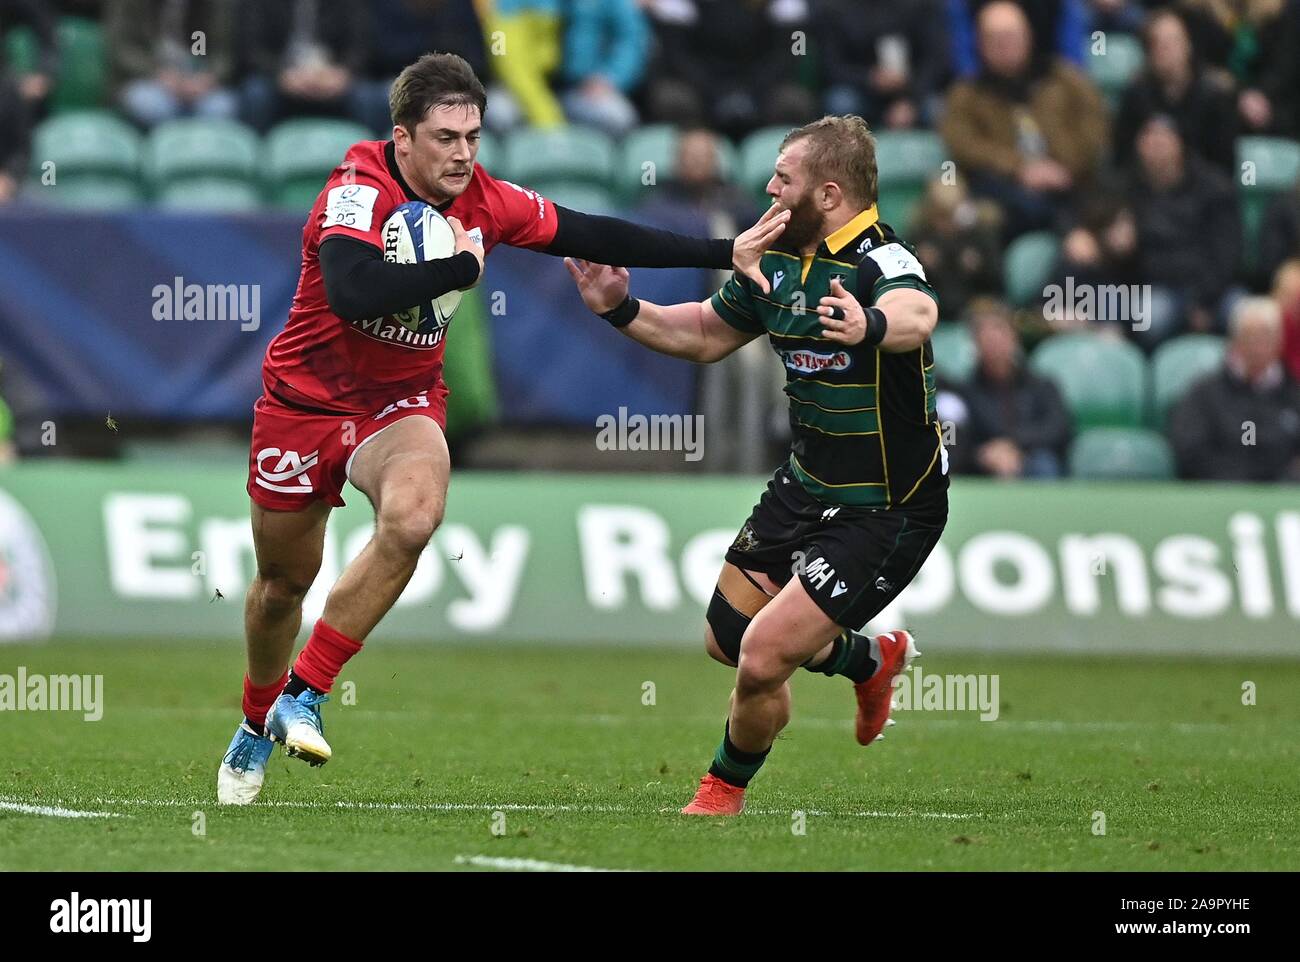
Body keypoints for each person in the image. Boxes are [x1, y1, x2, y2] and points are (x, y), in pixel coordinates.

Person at [216, 52, 784, 805]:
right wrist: (454, 271)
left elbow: (591, 229)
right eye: (445, 137)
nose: (461, 154)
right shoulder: (356, 188)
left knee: (415, 517)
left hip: (400, 405)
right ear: (403, 137)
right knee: (283, 586)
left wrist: (723, 251)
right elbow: (353, 291)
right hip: (304, 403)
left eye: (473, 137)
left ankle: (306, 691)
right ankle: (255, 720)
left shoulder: (486, 199)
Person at [566, 115, 948, 815]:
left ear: (829, 194)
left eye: (785, 177)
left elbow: (918, 312)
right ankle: (868, 660)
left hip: (889, 503)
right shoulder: (773, 255)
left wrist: (873, 326)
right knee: (727, 638)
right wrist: (620, 308)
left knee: (764, 657)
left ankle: (720, 793)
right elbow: (710, 333)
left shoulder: (880, 258)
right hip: (807, 482)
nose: (768, 187)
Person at [940, 0, 1108, 239]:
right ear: (980, 44)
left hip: (1070, 183)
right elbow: (963, 144)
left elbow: (1095, 128)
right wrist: (1020, 168)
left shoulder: (1066, 80)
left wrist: (1064, 167)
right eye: (994, 38)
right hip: (1005, 193)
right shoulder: (966, 94)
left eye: (1010, 36)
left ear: (1028, 36)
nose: (1003, 45)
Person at [1168, 296, 1300, 480]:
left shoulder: (1294, 394)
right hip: (1219, 494)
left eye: (1266, 335)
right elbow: (1189, 448)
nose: (1258, 346)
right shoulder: (1204, 393)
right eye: (1251, 336)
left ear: (1279, 341)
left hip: (1282, 497)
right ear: (1235, 340)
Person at [950, 299, 1072, 477]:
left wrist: (1013, 444)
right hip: (985, 465)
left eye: (999, 333)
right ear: (975, 345)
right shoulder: (963, 392)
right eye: (986, 337)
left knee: (1044, 463)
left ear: (1014, 339)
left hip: (1032, 457)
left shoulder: (1042, 385)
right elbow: (954, 438)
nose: (994, 343)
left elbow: (1059, 428)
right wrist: (983, 454)